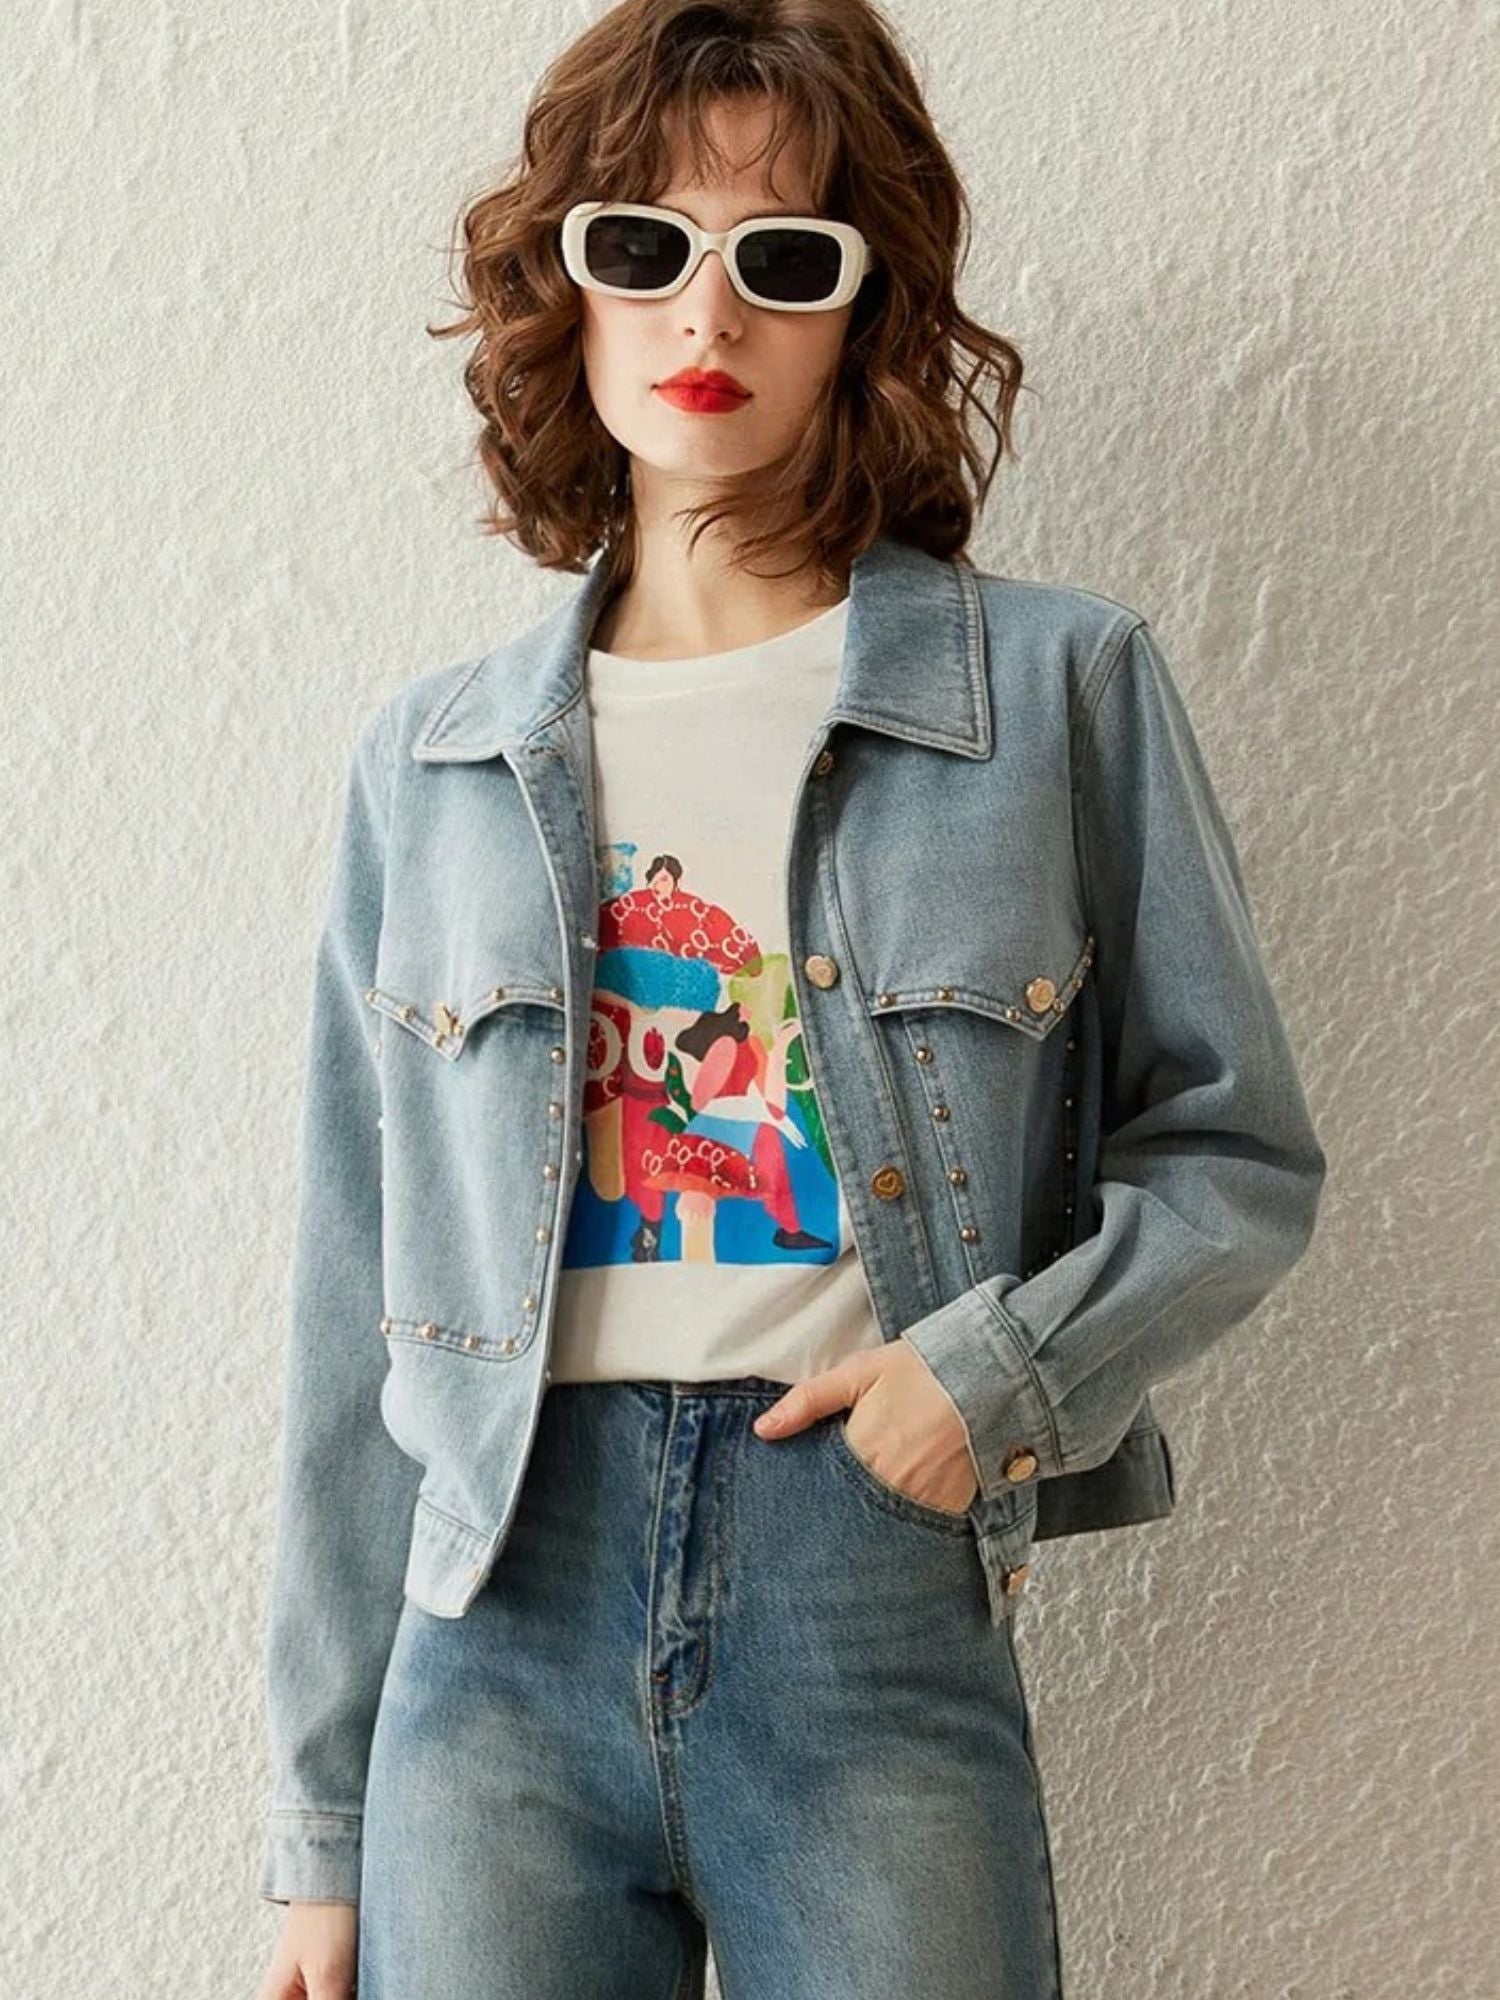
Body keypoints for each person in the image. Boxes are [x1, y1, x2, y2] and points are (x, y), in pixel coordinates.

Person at [255, 3, 1327, 1996]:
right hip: (488, 1629)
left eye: (786, 257)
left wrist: (988, 1382)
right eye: (645, 244)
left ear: (867, 308)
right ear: (565, 282)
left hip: (859, 1573)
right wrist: (321, 1834)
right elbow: (352, 1305)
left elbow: (1236, 1150)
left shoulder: (1057, 695)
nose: (709, 312)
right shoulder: (436, 763)